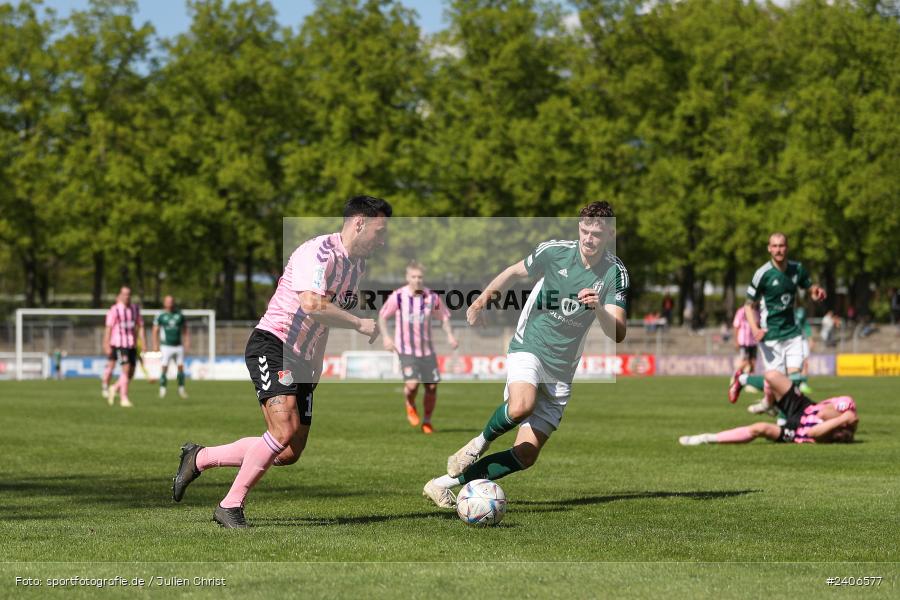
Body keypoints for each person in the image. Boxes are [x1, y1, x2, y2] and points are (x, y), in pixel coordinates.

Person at [171, 196, 391, 528]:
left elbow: (326, 318)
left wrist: (317, 363)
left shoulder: (356, 267)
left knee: (288, 452)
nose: (382, 240)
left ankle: (199, 457)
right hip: (274, 343)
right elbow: (312, 304)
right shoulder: (319, 253)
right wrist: (360, 323)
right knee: (283, 429)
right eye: (380, 230)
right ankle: (230, 506)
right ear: (359, 223)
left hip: (304, 358)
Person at [422, 201, 628, 508]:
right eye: (584, 230)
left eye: (596, 234)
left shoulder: (615, 272)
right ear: (578, 228)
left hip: (562, 369)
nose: (588, 239)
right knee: (521, 405)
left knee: (526, 454)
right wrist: (480, 302)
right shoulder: (555, 251)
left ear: (610, 234)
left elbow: (618, 332)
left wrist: (598, 307)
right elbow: (513, 272)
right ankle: (477, 444)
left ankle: (441, 484)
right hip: (530, 344)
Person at [727, 233, 826, 414]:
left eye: (781, 246)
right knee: (776, 381)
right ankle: (742, 380)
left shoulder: (797, 269)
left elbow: (810, 287)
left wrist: (816, 292)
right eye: (774, 246)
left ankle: (777, 414)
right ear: (769, 248)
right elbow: (748, 305)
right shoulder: (762, 274)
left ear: (787, 247)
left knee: (795, 380)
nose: (778, 250)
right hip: (770, 334)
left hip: (792, 333)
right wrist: (755, 329)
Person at [378, 260, 458, 434]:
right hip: (406, 351)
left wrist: (450, 335)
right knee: (412, 386)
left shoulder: (432, 297)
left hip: (427, 351)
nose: (417, 280)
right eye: (413, 277)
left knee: (431, 387)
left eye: (420, 277)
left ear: (423, 278)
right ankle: (410, 402)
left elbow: (444, 317)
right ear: (407, 277)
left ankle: (427, 421)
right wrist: (386, 337)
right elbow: (382, 317)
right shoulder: (398, 296)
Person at [680, 370, 857, 445]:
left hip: (796, 431)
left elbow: (813, 432)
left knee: (760, 428)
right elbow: (822, 412)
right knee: (772, 376)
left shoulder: (842, 425)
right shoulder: (848, 405)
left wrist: (841, 419)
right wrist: (843, 417)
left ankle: (705, 438)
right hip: (805, 408)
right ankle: (765, 401)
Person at [102, 287, 144, 408]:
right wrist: (106, 343)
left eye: (129, 294)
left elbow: (140, 326)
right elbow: (108, 328)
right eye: (124, 294)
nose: (127, 296)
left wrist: (143, 343)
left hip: (132, 344)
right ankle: (123, 398)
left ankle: (114, 387)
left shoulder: (135, 309)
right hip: (119, 344)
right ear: (120, 295)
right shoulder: (114, 310)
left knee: (131, 372)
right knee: (123, 368)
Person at [153, 295, 190, 399]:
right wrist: (155, 344)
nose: (170, 303)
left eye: (171, 301)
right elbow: (155, 330)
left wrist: (187, 342)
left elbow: (185, 329)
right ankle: (162, 390)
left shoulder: (179, 314)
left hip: (178, 346)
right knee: (164, 367)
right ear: (164, 303)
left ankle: (181, 389)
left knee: (181, 368)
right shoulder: (160, 315)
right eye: (168, 301)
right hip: (166, 346)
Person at [732, 305, 758, 376]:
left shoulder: (756, 311)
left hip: (753, 342)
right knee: (745, 361)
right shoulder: (741, 311)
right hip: (743, 342)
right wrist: (736, 341)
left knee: (753, 362)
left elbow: (758, 325)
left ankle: (750, 380)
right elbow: (736, 326)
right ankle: (735, 375)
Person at [795, 305, 813, 394]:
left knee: (805, 362)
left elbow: (805, 324)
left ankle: (803, 384)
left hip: (802, 340)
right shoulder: (784, 307)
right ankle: (794, 384)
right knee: (794, 364)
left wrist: (810, 338)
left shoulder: (801, 310)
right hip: (789, 339)